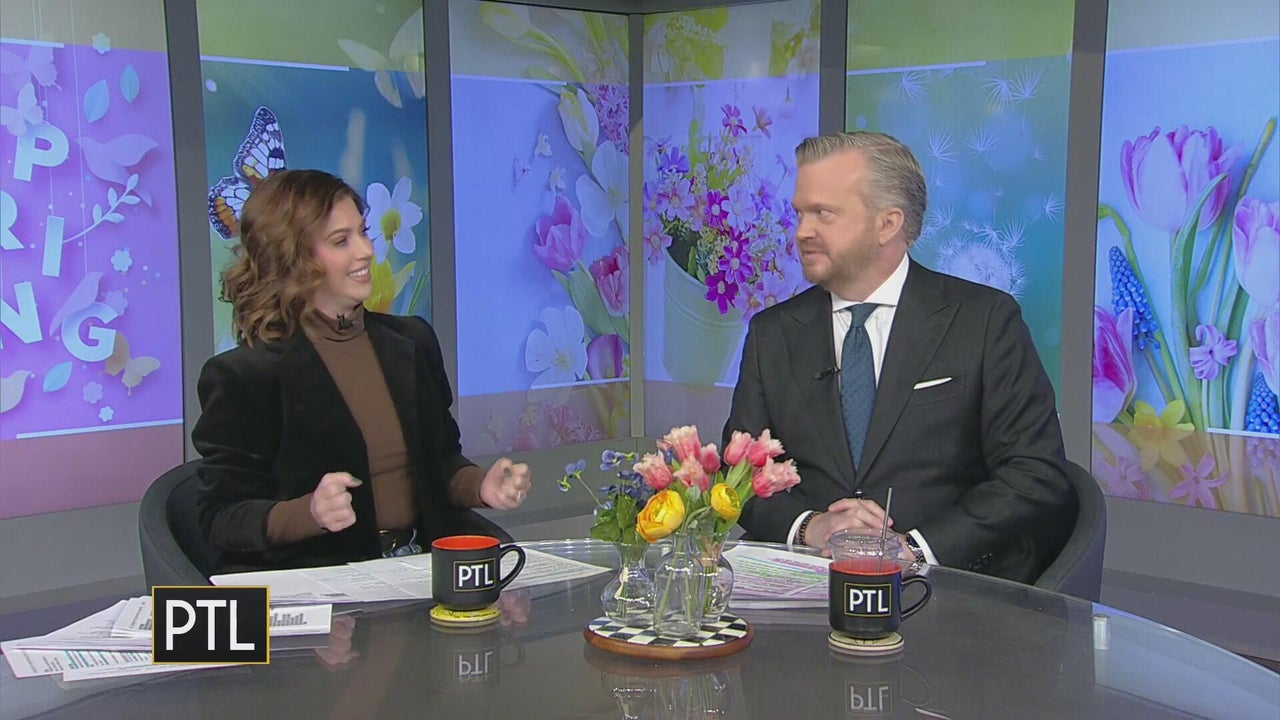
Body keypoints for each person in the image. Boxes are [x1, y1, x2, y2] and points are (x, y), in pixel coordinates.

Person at [723, 132, 1075, 583]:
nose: (802, 232)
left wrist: (914, 549)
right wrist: (810, 526)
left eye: (823, 214)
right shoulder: (772, 333)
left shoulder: (984, 321)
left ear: (887, 224)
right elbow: (739, 474)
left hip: (945, 590)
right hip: (807, 586)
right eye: (800, 213)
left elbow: (1035, 473)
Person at [193, 169, 531, 573]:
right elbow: (220, 518)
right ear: (293, 258)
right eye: (341, 241)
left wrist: (482, 486)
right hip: (323, 582)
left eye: (363, 232)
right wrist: (310, 512)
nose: (366, 251)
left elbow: (439, 464)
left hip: (423, 569)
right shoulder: (243, 376)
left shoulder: (412, 341)